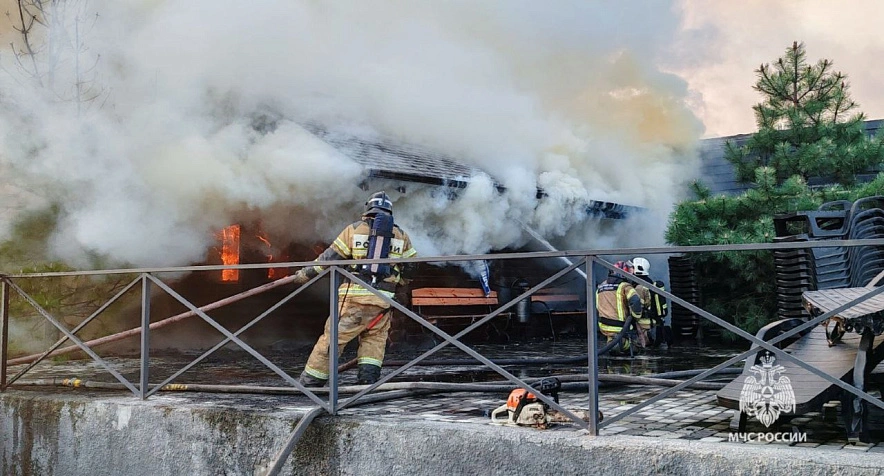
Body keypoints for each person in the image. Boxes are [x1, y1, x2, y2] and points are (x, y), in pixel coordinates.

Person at [291, 191, 417, 386]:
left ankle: (311, 382)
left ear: (368, 209)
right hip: (383, 301)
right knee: (374, 340)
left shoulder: (354, 230)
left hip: (354, 299)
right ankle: (367, 381)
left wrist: (305, 274)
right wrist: (399, 285)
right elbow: (411, 267)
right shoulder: (401, 235)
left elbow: (329, 259)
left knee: (333, 339)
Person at [596, 260, 645, 353]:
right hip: (620, 326)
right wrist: (636, 316)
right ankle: (622, 345)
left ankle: (613, 344)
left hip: (604, 325)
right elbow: (635, 300)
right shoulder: (625, 286)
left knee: (612, 342)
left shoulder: (601, 286)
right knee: (636, 347)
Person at [632, 257, 673, 349]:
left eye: (632, 267)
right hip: (652, 320)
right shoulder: (648, 282)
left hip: (644, 322)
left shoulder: (639, 287)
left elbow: (637, 308)